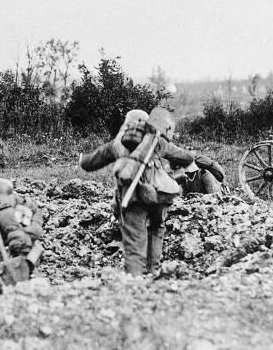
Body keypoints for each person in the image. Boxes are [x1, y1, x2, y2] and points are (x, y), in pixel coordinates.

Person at [79, 108, 195, 276]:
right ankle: (153, 271)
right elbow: (186, 157)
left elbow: (89, 163)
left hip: (132, 196)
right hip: (158, 196)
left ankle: (135, 279)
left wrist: (82, 160)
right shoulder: (156, 141)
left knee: (135, 239)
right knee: (157, 227)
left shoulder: (116, 144)